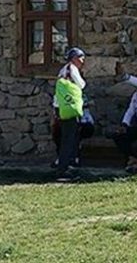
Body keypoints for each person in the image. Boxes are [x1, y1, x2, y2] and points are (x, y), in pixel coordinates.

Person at [52, 47, 87, 179]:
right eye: (80, 57)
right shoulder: (72, 69)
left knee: (66, 137)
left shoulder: (63, 70)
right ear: (73, 58)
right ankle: (63, 170)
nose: (82, 61)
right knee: (69, 139)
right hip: (68, 108)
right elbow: (81, 84)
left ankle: (64, 165)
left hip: (60, 107)